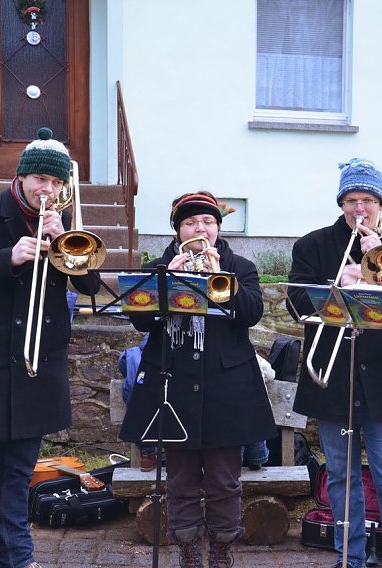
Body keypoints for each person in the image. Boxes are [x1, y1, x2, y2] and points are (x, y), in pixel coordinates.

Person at [0, 127, 101, 568]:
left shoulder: (66, 226)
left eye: (56, 182)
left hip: (38, 365)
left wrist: (65, 238)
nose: (48, 189)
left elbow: (89, 285)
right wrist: (7, 257)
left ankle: (17, 557)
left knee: (18, 475)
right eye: (41, 180)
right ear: (23, 177)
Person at [119, 191, 277, 568]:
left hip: (226, 386)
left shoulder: (239, 265)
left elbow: (250, 314)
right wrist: (168, 279)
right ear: (178, 231)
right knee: (181, 480)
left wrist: (220, 276)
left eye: (207, 222)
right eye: (191, 223)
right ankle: (188, 552)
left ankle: (222, 551)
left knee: (225, 480)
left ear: (218, 228)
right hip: (172, 384)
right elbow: (140, 319)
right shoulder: (159, 266)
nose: (200, 228)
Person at [287, 158, 382, 568]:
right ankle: (348, 559)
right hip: (333, 377)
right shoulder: (312, 245)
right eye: (352, 199)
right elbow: (297, 303)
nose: (360, 208)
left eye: (368, 199)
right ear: (341, 202)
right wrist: (340, 284)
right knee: (341, 477)